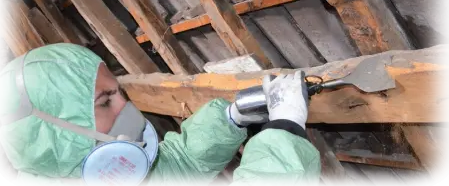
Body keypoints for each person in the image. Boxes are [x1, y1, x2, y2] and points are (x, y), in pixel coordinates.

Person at [0, 43, 320, 185]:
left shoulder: (98, 178)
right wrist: (286, 130)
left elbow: (174, 170)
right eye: (103, 102)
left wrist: (230, 119)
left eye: (119, 92)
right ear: (58, 132)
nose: (125, 107)